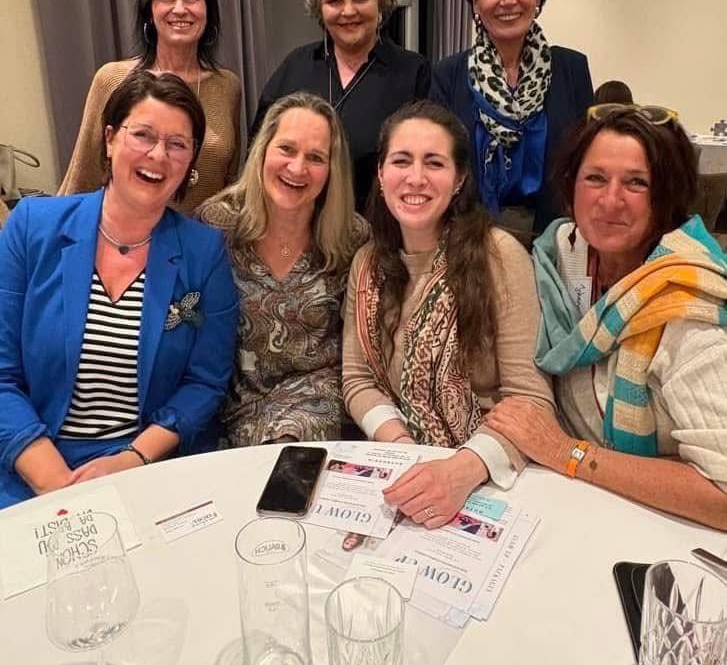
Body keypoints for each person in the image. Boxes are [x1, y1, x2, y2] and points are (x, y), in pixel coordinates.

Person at [0, 71, 238, 508]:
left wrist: (132, 459)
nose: (157, 155)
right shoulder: (33, 227)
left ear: (190, 162)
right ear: (109, 139)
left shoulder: (204, 252)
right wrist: (53, 479)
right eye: (142, 135)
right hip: (31, 458)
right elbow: (1, 373)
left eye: (177, 144)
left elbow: (205, 382)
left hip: (144, 463)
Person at [486, 104, 727, 531]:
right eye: (595, 178)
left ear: (666, 195)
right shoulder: (559, 257)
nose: (610, 200)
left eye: (636, 183)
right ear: (570, 185)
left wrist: (568, 453)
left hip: (664, 528)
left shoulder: (690, 315)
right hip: (578, 503)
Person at [342, 100, 554, 528]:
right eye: (401, 161)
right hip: (405, 469)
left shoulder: (499, 257)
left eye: (434, 163)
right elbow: (357, 378)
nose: (416, 178)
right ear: (381, 173)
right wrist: (404, 446)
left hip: (492, 476)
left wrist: (460, 470)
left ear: (458, 180)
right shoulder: (366, 265)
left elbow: (531, 400)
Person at [200, 92, 368, 446]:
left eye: (316, 157)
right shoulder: (216, 223)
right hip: (231, 399)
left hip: (315, 397)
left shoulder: (351, 236)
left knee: (287, 455)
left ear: (331, 170)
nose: (297, 168)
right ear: (263, 150)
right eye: (287, 149)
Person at [431, 0, 593, 240]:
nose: (507, 0)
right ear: (475, 2)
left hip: (556, 240)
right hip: (469, 242)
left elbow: (586, 161)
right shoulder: (447, 75)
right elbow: (438, 164)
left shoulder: (571, 69)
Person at [251, 0, 430, 209]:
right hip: (296, 227)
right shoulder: (295, 66)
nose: (348, 11)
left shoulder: (413, 73)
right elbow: (257, 153)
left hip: (377, 237)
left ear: (380, 3)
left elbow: (424, 165)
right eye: (334, 0)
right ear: (320, 9)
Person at [58, 0, 242, 213]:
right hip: (128, 242)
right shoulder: (112, 80)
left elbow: (229, 182)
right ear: (149, 11)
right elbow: (83, 177)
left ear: (207, 10)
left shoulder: (228, 86)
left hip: (203, 244)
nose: (180, 9)